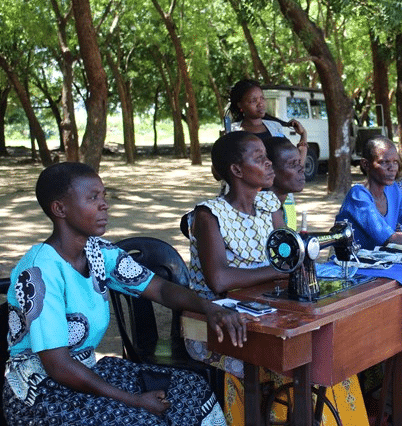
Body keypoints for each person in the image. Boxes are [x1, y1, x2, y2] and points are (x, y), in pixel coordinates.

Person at [3, 162, 249, 425]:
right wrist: (133, 400)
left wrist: (210, 308)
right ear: (60, 209)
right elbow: (58, 366)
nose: (104, 205)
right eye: (93, 197)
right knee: (144, 418)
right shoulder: (39, 271)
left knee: (191, 388)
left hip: (87, 370)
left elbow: (161, 289)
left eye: (104, 196)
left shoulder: (97, 252)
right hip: (41, 391)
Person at [181, 131, 369, 425]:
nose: (269, 164)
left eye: (268, 158)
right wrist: (286, 268)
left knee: (327, 354)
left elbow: (287, 253)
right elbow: (219, 279)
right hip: (216, 324)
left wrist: (292, 266)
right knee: (290, 360)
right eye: (260, 159)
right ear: (237, 170)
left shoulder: (269, 206)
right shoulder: (209, 215)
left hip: (262, 313)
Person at [229, 79, 308, 165]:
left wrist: (303, 134)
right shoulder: (232, 132)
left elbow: (298, 164)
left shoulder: (274, 128)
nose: (261, 104)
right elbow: (219, 173)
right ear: (240, 105)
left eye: (262, 98)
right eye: (253, 100)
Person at [263, 136, 305, 230]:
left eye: (299, 162)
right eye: (292, 164)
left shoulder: (287, 204)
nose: (301, 169)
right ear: (270, 169)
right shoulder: (260, 211)